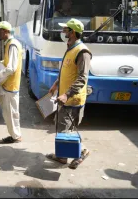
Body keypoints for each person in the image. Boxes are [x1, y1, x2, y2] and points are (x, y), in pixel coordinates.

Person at [46, 18, 92, 169]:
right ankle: (62, 156)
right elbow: (66, 70)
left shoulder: (82, 51)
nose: (63, 32)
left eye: (65, 29)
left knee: (66, 129)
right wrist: (56, 84)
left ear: (72, 32)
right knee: (63, 127)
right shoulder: (71, 48)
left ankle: (82, 150)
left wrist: (67, 94)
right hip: (64, 98)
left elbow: (82, 77)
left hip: (73, 99)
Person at [0, 21, 22, 143]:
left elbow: (11, 68)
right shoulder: (10, 43)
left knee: (10, 113)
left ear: (6, 31)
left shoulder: (12, 45)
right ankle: (15, 135)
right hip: (9, 85)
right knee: (10, 112)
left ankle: (16, 136)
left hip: (10, 85)